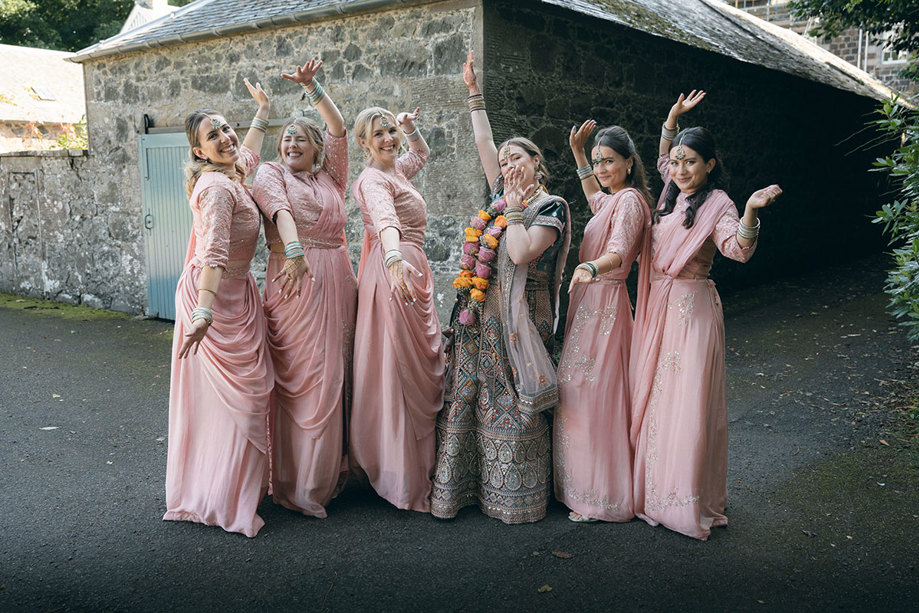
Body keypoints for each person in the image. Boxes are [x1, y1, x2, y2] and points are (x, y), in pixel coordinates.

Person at [630, 90, 782, 540]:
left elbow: (737, 250)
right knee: (657, 399)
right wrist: (671, 121)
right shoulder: (671, 192)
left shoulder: (719, 204)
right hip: (658, 305)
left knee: (687, 403)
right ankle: (651, 492)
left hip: (692, 311)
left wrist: (751, 211)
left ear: (710, 164)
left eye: (690, 162)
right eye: (676, 162)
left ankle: (684, 499)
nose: (679, 169)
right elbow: (662, 160)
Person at [431, 51, 571, 524]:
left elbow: (520, 252)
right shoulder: (499, 193)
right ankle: (467, 489)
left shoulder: (549, 206)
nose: (508, 161)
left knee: (513, 399)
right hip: (479, 315)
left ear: (537, 163)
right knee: (472, 393)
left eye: (518, 156)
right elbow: (484, 138)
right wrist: (474, 91)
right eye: (505, 158)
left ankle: (519, 498)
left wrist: (512, 209)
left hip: (521, 321)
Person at [164, 78, 273, 537]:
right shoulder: (216, 189)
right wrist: (203, 313)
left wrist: (263, 110)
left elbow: (247, 149)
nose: (227, 138)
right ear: (199, 152)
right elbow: (212, 254)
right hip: (214, 299)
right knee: (235, 402)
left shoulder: (233, 172)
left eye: (226, 128)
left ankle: (228, 487)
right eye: (214, 136)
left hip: (239, 293)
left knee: (240, 400)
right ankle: (223, 498)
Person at [251, 59, 356, 518]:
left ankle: (329, 475)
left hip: (338, 276)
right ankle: (295, 483)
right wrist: (294, 251)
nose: (291, 143)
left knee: (337, 372)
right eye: (286, 138)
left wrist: (313, 87)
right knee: (302, 377)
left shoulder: (333, 176)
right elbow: (278, 211)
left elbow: (338, 127)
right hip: (294, 276)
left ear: (317, 149)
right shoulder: (271, 174)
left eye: (300, 138)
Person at [554, 121, 652, 523]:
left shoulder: (630, 202)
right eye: (598, 162)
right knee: (578, 391)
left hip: (607, 303)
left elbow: (619, 250)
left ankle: (600, 494)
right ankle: (578, 485)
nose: (601, 168)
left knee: (593, 395)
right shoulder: (611, 199)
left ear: (629, 163)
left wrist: (590, 266)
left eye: (608, 161)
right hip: (589, 300)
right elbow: (594, 196)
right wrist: (579, 153)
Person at [349, 105, 444, 512]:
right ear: (362, 143)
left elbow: (421, 153)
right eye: (380, 133)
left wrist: (411, 128)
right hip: (396, 270)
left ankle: (412, 465)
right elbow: (387, 221)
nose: (389, 138)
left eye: (390, 131)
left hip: (411, 266)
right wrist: (392, 259)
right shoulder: (373, 179)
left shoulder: (396, 170)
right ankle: (399, 472)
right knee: (399, 368)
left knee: (412, 364)